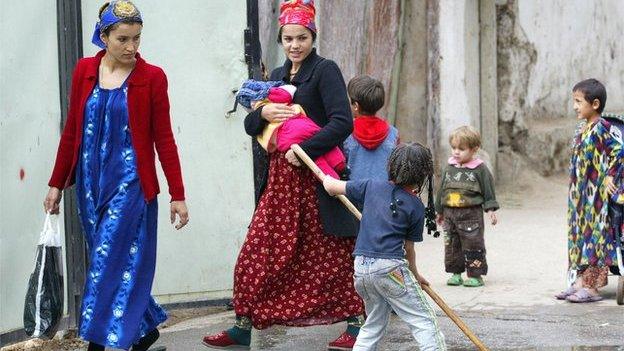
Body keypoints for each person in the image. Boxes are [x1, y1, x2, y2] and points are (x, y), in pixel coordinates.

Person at [202, 1, 364, 350]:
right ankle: (243, 325)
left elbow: (342, 122)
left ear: (312, 36)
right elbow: (249, 124)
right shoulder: (274, 76)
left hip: (317, 178)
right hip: (279, 184)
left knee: (331, 255)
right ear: (281, 39)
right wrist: (265, 114)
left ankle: (356, 323)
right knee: (258, 250)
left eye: (301, 38)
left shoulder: (325, 71)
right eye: (288, 38)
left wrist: (303, 150)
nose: (294, 45)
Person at [43, 1, 189, 350]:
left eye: (137, 39)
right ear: (103, 36)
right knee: (111, 261)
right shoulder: (84, 71)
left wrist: (177, 193)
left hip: (132, 186)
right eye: (123, 39)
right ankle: (143, 330)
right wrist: (55, 184)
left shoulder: (152, 77)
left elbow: (164, 138)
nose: (132, 47)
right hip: (90, 186)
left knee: (106, 262)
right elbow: (72, 130)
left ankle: (96, 342)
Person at [323, 142, 446, 351]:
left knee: (373, 323)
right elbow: (408, 250)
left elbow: (331, 187)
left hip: (361, 269)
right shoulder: (415, 205)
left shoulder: (370, 186)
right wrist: (414, 274)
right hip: (390, 269)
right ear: (423, 174)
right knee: (424, 320)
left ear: (391, 165)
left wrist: (323, 173)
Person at [555, 78, 624, 303]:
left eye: (578, 101)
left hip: (597, 198)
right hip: (580, 196)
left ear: (594, 104)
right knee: (579, 239)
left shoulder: (602, 127)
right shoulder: (581, 129)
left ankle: (592, 288)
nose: (574, 106)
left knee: (596, 240)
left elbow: (619, 152)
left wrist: (610, 177)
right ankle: (578, 282)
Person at [237, 81, 346, 178]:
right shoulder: (278, 75)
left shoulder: (323, 69)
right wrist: (262, 113)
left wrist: (304, 151)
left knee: (317, 161)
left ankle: (333, 178)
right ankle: (339, 169)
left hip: (303, 152)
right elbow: (250, 128)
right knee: (317, 158)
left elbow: (343, 122)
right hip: (283, 171)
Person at [435, 126, 498, 288]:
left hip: (471, 215)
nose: (456, 152)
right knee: (452, 245)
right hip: (450, 214)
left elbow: (488, 189)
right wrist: (439, 211)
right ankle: (456, 274)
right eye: (454, 148)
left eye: (461, 149)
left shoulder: (480, 169)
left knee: (473, 244)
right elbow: (442, 190)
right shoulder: (449, 168)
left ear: (474, 149)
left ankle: (475, 275)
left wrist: (490, 210)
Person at [343, 75, 399, 181]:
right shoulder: (393, 134)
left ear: (356, 105)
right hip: (383, 195)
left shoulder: (346, 132)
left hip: (351, 195)